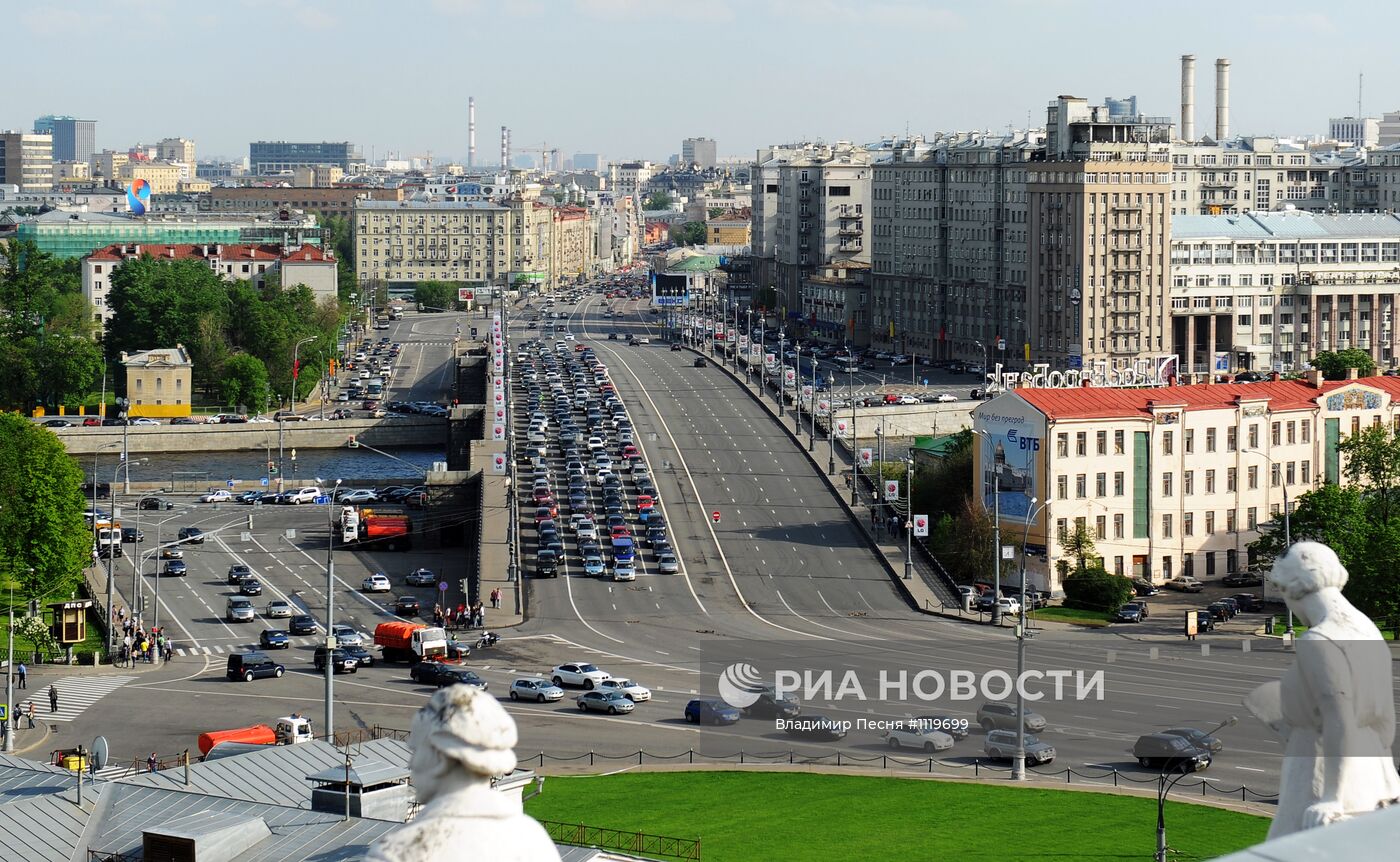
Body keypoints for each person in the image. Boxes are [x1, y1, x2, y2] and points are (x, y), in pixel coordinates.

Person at [1247, 542, 1400, 837]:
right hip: (1372, 773)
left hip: (1318, 778)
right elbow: (1385, 725)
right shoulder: (1366, 627)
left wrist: (1332, 798)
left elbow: (1338, 718)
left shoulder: (1318, 640)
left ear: (1292, 587)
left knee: (1286, 850)